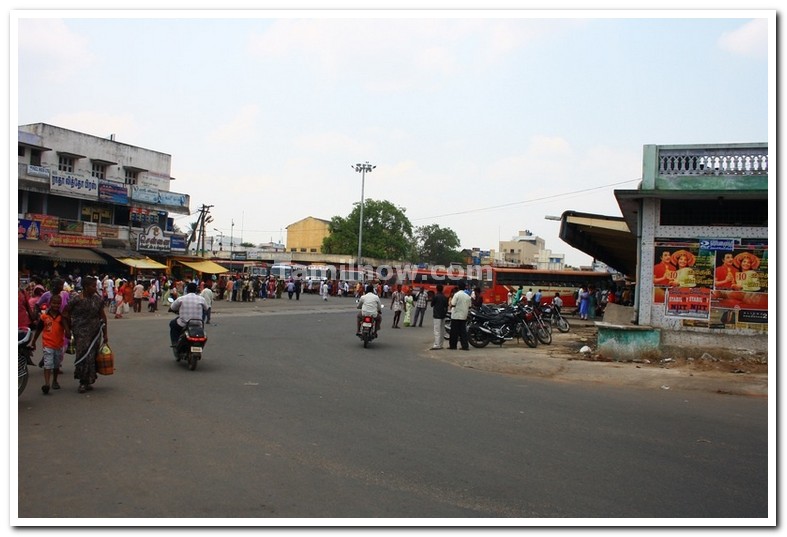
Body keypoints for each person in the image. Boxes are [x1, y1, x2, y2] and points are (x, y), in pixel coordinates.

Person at [62, 276, 108, 394]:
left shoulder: (97, 299)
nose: (95, 288)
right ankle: (82, 381)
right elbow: (65, 313)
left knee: (92, 356)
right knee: (83, 355)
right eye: (93, 286)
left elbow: (102, 316)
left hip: (95, 332)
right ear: (85, 287)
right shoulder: (76, 299)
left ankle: (89, 380)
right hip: (81, 332)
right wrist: (67, 329)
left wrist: (105, 333)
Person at [29, 293, 65, 395]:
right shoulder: (44, 317)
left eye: (58, 304)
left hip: (58, 345)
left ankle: (55, 380)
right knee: (48, 364)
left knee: (56, 364)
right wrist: (33, 342)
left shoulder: (62, 317)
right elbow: (39, 330)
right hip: (47, 344)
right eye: (54, 303)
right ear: (49, 303)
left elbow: (67, 328)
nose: (56, 305)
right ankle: (47, 384)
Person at [169, 282, 208, 347]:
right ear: (196, 290)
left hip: (184, 323)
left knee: (172, 324)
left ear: (187, 290)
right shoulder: (201, 299)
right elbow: (206, 308)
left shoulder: (181, 298)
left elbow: (172, 307)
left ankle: (175, 342)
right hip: (198, 323)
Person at [448, 281, 471, 351]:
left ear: (458, 287)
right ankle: (465, 346)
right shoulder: (467, 296)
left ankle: (453, 346)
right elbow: (469, 306)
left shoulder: (456, 295)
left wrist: (450, 305)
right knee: (463, 332)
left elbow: (453, 304)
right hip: (463, 316)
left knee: (454, 332)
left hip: (456, 315)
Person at [430, 284, 448, 350]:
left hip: (437, 315)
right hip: (443, 315)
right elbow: (446, 306)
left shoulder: (436, 296)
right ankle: (440, 344)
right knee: (442, 330)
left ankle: (436, 345)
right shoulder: (444, 297)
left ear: (437, 289)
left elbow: (432, 304)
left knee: (437, 330)